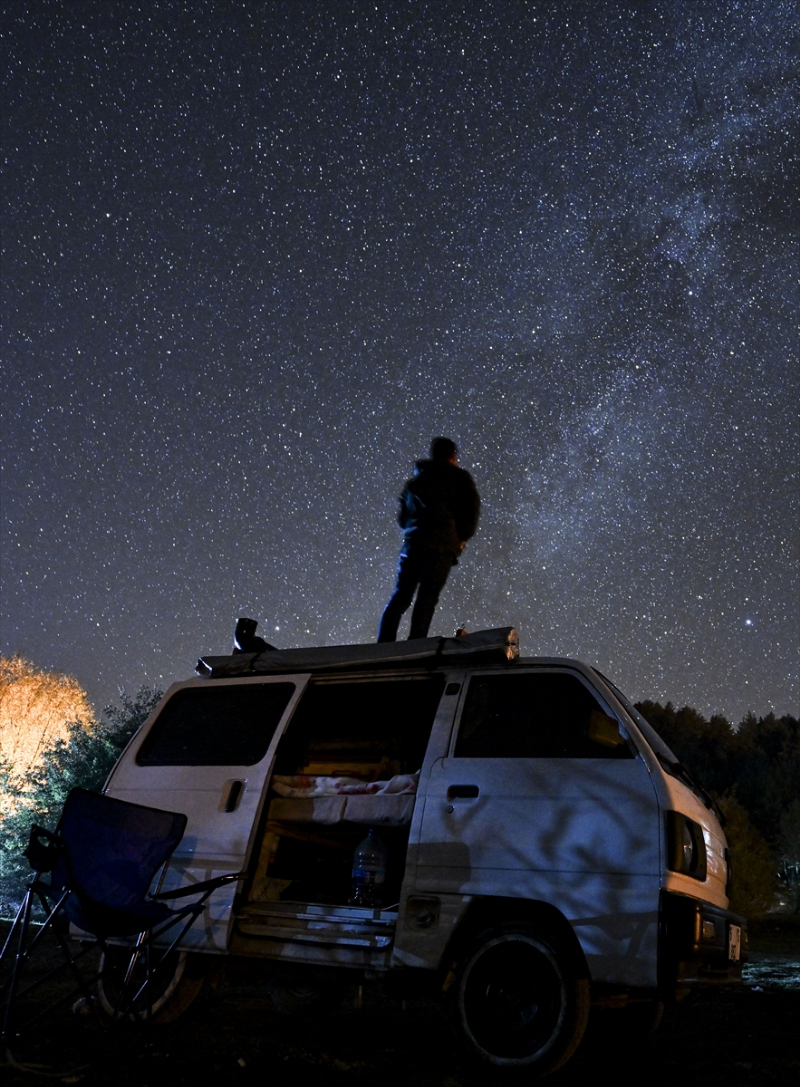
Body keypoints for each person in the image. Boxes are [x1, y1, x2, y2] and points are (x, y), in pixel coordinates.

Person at [377, 437, 480, 642]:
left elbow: (402, 519)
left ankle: (384, 643)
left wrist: (415, 528)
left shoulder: (416, 482)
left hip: (413, 543)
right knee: (427, 598)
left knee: (401, 595)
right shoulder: (459, 478)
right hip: (442, 545)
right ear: (453, 456)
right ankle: (415, 644)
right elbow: (471, 510)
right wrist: (462, 537)